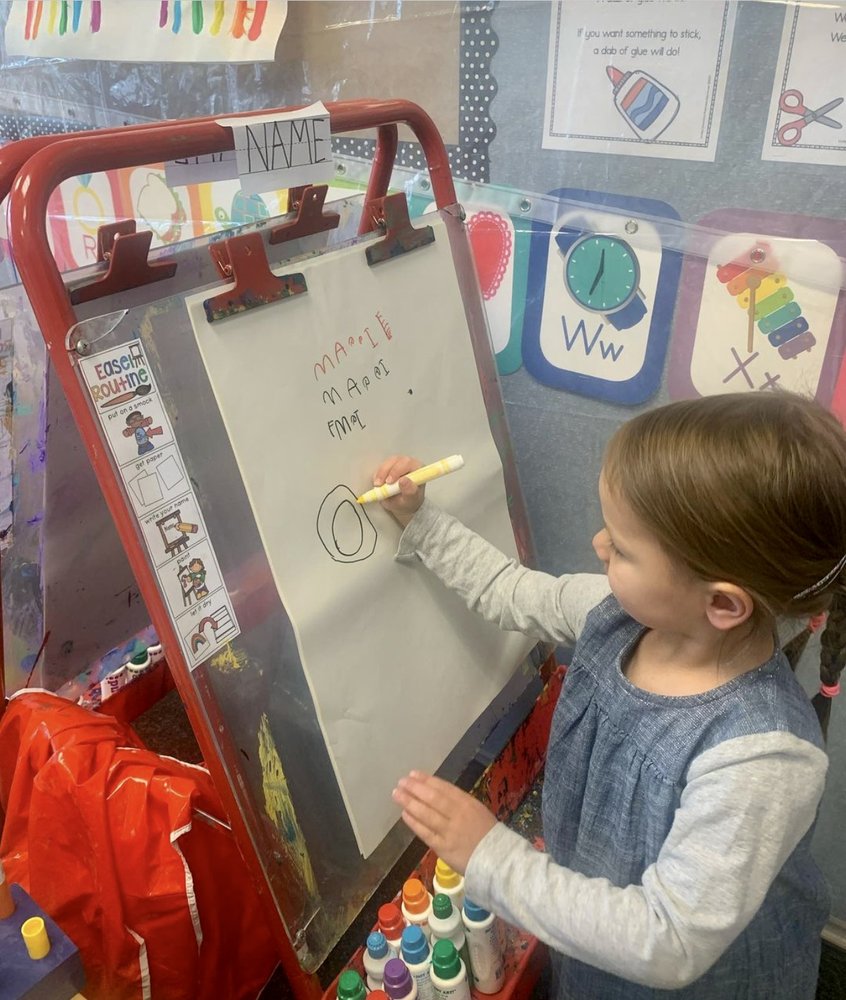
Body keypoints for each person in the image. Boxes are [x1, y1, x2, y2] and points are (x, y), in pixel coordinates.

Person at [380, 391, 846, 999]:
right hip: (599, 942)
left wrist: (492, 856)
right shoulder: (614, 615)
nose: (599, 546)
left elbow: (667, 939)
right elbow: (509, 590)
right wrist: (422, 521)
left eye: (623, 549)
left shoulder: (763, 755)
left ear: (723, 603)